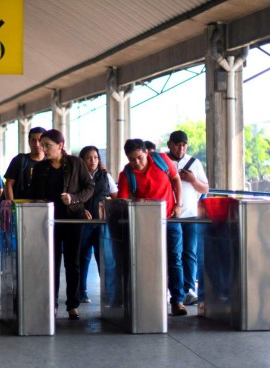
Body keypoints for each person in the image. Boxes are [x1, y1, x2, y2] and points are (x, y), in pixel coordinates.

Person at [29, 130, 94, 320]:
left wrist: (74, 199)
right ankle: (52, 303)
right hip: (49, 221)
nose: (43, 149)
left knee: (72, 262)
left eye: (47, 145)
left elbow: (89, 186)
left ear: (60, 145)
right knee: (52, 263)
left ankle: (72, 304)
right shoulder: (40, 168)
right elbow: (33, 194)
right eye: (42, 145)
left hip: (73, 219)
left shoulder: (76, 163)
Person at [117, 138, 187, 316]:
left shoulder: (162, 160)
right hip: (145, 223)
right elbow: (122, 200)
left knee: (175, 259)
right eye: (131, 159)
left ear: (146, 153)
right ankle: (151, 299)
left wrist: (179, 204)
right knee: (148, 261)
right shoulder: (126, 174)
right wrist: (135, 201)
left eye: (139, 157)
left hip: (170, 219)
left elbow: (176, 179)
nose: (136, 163)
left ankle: (178, 300)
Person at [166, 130, 209, 306]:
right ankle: (176, 291)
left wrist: (192, 180)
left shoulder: (194, 162)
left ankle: (189, 290)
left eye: (184, 145)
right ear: (170, 145)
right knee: (173, 254)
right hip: (170, 216)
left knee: (189, 253)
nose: (181, 148)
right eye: (177, 144)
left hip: (190, 215)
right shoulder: (163, 162)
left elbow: (205, 189)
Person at [78, 145, 117, 303]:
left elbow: (116, 196)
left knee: (104, 257)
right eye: (88, 157)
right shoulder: (77, 176)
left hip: (101, 223)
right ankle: (81, 291)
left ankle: (108, 292)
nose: (92, 161)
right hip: (83, 222)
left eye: (95, 157)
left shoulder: (105, 176)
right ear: (82, 160)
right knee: (83, 257)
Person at [4, 126, 47, 200]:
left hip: (44, 207)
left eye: (39, 140)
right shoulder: (19, 160)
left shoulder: (49, 162)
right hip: (21, 206)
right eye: (33, 140)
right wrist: (12, 205)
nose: (36, 144)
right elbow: (8, 184)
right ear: (29, 142)